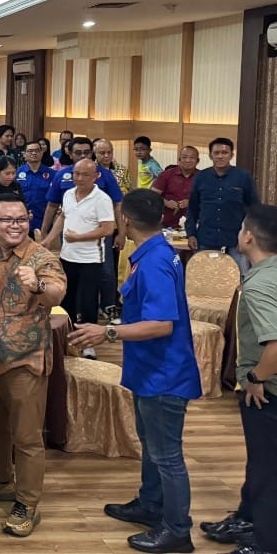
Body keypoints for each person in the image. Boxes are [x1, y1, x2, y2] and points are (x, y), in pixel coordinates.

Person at [69, 189, 201, 554]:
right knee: (152, 445)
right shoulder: (154, 252)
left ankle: (177, 530)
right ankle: (151, 504)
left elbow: (161, 324)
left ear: (125, 220)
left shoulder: (155, 261)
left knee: (167, 455)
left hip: (164, 374)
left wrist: (107, 332)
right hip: (150, 370)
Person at [0, 194, 67, 538]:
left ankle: (27, 502)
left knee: (26, 438)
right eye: (8, 219)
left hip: (24, 361)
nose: (15, 226)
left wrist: (36, 284)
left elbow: (56, 292)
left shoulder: (41, 257)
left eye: (21, 219)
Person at [221, 204, 277, 554]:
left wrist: (256, 378)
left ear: (249, 237)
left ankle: (266, 542)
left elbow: (275, 343)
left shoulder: (258, 285)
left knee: (267, 466)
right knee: (260, 461)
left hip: (267, 391)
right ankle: (247, 518)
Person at [42, 159, 115, 359]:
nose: (79, 178)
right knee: (67, 298)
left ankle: (89, 344)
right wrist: (49, 239)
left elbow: (108, 229)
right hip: (67, 256)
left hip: (91, 259)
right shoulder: (67, 194)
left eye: (85, 175)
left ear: (96, 177)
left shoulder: (102, 199)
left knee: (88, 301)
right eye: (76, 173)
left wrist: (79, 238)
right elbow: (63, 217)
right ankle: (68, 337)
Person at [185, 137, 258, 276]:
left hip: (236, 240)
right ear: (210, 155)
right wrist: (191, 234)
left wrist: (249, 235)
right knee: (204, 278)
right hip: (206, 238)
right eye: (216, 153)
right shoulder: (200, 177)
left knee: (239, 278)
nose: (220, 156)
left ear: (231, 155)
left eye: (224, 153)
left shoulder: (243, 177)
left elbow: (254, 209)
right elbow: (193, 209)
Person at [151, 147, 199, 229]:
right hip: (165, 224)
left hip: (193, 224)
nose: (187, 160)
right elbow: (152, 195)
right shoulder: (166, 175)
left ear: (197, 161)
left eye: (192, 158)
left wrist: (191, 202)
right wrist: (166, 202)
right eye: (184, 157)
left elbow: (209, 199)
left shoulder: (203, 177)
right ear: (179, 160)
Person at [16, 142, 56, 236]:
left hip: (45, 222)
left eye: (37, 151)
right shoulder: (16, 173)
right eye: (30, 151)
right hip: (21, 221)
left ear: (42, 153)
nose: (34, 153)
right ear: (24, 154)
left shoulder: (53, 174)